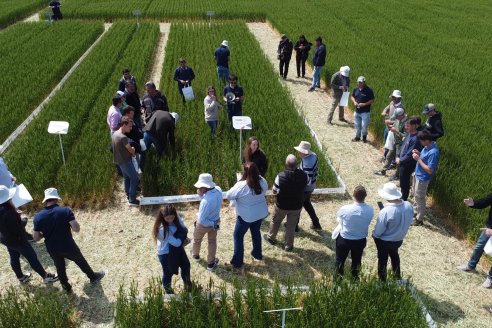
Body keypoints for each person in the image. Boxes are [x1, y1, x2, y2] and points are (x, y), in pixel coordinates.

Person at [33, 188, 105, 292]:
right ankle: (93, 277)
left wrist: (44, 234)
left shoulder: (38, 217)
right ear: (56, 199)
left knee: (60, 267)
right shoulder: (65, 211)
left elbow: (35, 237)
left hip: (52, 248)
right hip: (67, 245)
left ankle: (66, 286)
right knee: (80, 260)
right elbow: (76, 229)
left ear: (46, 200)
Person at [0, 186, 58, 284]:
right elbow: (18, 227)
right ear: (7, 199)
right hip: (18, 240)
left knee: (14, 257)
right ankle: (46, 276)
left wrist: (16, 214)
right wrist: (23, 219)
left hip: (5, 239)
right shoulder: (9, 213)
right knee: (32, 257)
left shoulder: (3, 209)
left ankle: (21, 277)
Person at [225, 162, 269, 270]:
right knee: (256, 232)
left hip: (246, 216)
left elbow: (229, 195)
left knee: (238, 236)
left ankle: (237, 262)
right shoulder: (263, 181)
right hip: (260, 214)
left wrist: (239, 181)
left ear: (245, 172)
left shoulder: (241, 185)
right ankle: (257, 254)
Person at [263, 154, 307, 251]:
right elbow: (305, 187)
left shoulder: (280, 176)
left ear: (286, 164)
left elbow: (275, 190)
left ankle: (271, 238)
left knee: (276, 221)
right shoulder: (304, 175)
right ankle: (288, 246)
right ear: (297, 164)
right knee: (291, 225)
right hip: (297, 205)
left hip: (282, 205)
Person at [372, 183, 413, 281]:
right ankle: (397, 277)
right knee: (395, 255)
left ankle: (382, 281)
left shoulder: (386, 211)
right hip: (399, 239)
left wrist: (374, 235)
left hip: (384, 241)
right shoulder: (408, 205)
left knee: (383, 260)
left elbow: (378, 232)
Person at [335, 186, 374, 279]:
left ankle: (338, 280)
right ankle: (354, 279)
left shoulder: (345, 208)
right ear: (365, 196)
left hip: (344, 239)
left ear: (353, 196)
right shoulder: (370, 209)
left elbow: (338, 218)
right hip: (360, 240)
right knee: (357, 261)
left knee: (340, 261)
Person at [152, 204, 191, 294]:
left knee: (186, 266)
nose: (170, 220)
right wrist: (183, 238)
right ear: (162, 217)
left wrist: (183, 236)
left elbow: (183, 227)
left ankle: (188, 287)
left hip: (177, 249)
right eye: (167, 218)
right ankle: (169, 293)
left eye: (172, 217)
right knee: (168, 273)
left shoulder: (175, 218)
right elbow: (177, 243)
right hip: (166, 253)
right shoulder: (161, 229)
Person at [456, 194, 492, 289]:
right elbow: (485, 201)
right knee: (479, 246)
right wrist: (473, 203)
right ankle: (471, 266)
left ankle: (490, 278)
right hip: (489, 227)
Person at [191, 173, 222, 271]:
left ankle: (195, 255)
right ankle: (211, 264)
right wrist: (214, 224)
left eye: (200, 187)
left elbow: (201, 219)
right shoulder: (219, 191)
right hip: (215, 221)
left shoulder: (206, 201)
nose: (199, 188)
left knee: (197, 240)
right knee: (212, 242)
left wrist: (201, 196)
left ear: (204, 187)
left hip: (203, 225)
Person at [412, 130, 440, 226]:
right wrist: (419, 153)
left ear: (426, 140)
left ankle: (419, 219)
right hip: (417, 174)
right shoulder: (427, 147)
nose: (420, 143)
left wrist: (418, 159)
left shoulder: (434, 152)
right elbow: (425, 158)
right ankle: (415, 212)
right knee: (415, 196)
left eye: (421, 141)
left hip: (423, 179)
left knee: (420, 198)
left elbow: (429, 170)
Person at [112, 117, 140, 206]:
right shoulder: (123, 137)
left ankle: (128, 193)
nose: (131, 128)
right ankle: (132, 198)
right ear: (124, 125)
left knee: (127, 177)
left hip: (119, 161)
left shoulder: (115, 134)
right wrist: (134, 148)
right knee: (134, 178)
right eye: (129, 126)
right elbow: (130, 150)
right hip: (126, 161)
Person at [294, 141, 322, 231]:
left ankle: (294, 226)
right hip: (311, 186)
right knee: (307, 204)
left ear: (305, 152)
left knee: (298, 206)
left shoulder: (307, 164)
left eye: (300, 151)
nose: (298, 152)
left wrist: (298, 188)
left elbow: (307, 180)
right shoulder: (313, 155)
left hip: (305, 188)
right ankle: (316, 224)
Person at [374, 107, 407, 177]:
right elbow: (395, 125)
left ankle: (397, 175)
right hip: (395, 142)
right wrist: (390, 126)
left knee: (398, 160)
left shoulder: (407, 123)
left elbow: (406, 137)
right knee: (389, 156)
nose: (396, 118)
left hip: (401, 145)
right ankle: (383, 171)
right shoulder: (398, 120)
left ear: (401, 115)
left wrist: (396, 131)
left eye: (397, 117)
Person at [395, 118, 422, 201]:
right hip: (402, 162)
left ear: (414, 126)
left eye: (408, 126)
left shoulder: (416, 138)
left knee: (405, 182)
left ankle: (404, 199)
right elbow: (402, 146)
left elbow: (410, 154)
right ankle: (402, 195)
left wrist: (401, 160)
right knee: (402, 180)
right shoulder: (408, 134)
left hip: (408, 164)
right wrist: (398, 156)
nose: (406, 127)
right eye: (406, 125)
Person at [351, 76, 375, 143]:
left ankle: (364, 137)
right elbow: (352, 96)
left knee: (364, 126)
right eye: (359, 82)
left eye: (361, 82)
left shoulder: (369, 90)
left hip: (365, 112)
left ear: (364, 82)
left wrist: (364, 104)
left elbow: (372, 100)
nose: (360, 84)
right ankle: (357, 137)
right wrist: (354, 102)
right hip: (357, 111)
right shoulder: (356, 89)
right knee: (357, 125)